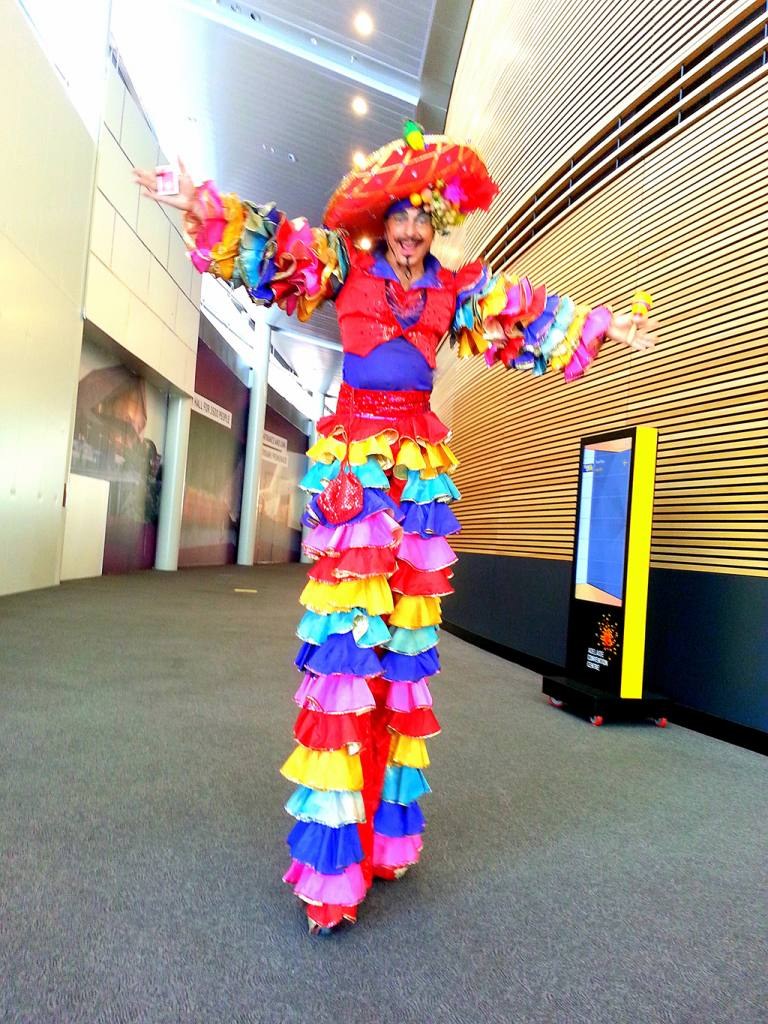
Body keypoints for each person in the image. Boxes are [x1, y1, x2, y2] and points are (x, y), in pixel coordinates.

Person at [134, 125, 656, 934]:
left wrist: (606, 326)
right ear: (383, 219)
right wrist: (196, 201)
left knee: (400, 663)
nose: (412, 232)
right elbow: (270, 248)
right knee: (346, 653)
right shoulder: (342, 264)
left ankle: (384, 838)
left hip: (417, 476)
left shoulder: (454, 289)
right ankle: (331, 872)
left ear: (439, 222)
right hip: (355, 470)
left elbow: (530, 317)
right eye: (401, 218)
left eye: (425, 219)